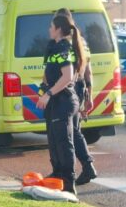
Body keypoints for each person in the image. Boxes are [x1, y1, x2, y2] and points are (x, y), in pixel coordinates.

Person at [35, 14, 87, 196]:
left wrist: (48, 94)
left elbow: (67, 76)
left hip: (63, 102)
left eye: (51, 26)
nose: (49, 29)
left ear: (58, 29)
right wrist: (42, 92)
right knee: (54, 141)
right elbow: (49, 76)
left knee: (64, 143)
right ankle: (57, 175)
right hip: (54, 102)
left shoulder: (64, 49)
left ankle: (68, 182)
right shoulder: (54, 48)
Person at [56, 8, 97, 186]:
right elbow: (88, 72)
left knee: (71, 132)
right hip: (80, 89)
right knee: (75, 130)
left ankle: (85, 167)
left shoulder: (65, 43)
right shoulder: (82, 41)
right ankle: (87, 166)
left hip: (69, 88)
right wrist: (90, 96)